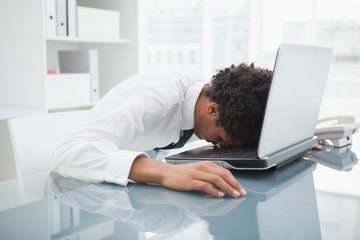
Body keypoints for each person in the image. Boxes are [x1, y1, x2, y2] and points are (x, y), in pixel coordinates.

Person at [52, 63, 273, 198]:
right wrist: (166, 172)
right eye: (224, 138)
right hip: (81, 189)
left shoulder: (204, 96)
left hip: (127, 191)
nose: (220, 146)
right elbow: (67, 153)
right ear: (213, 110)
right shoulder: (154, 98)